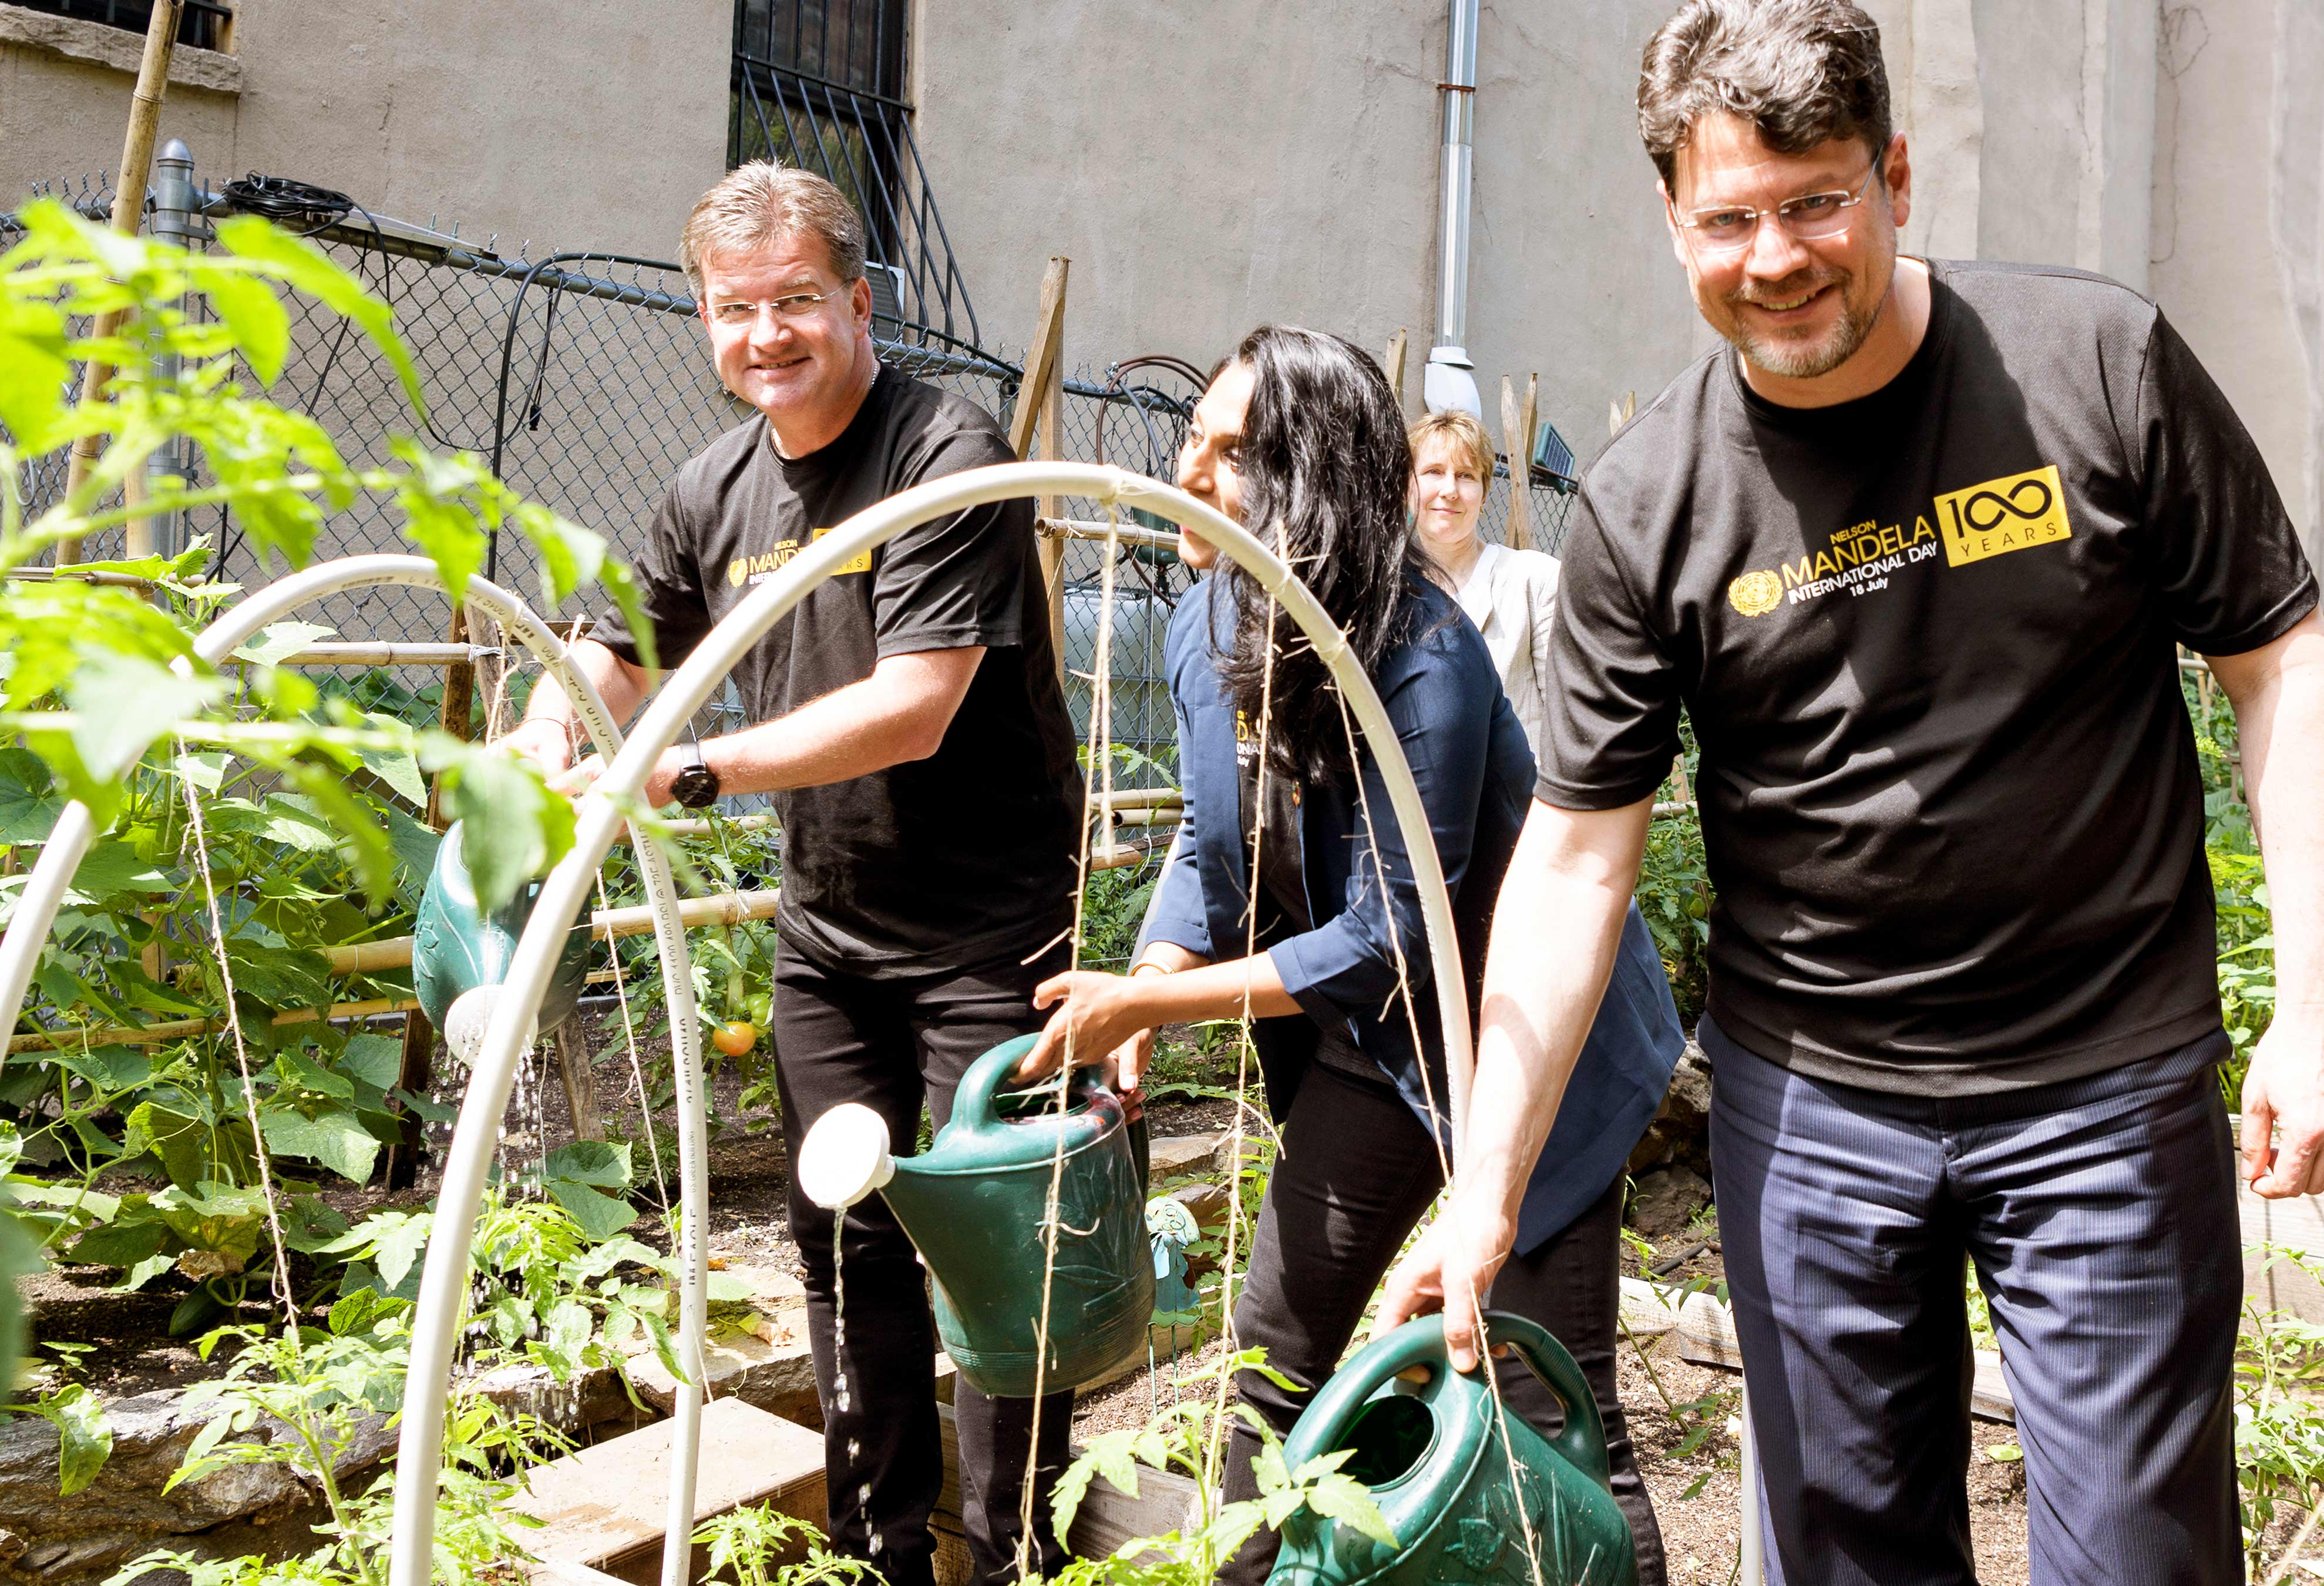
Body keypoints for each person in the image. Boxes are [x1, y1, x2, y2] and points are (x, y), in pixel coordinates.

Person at [1379, 2, 2324, 1582]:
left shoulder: (2093, 367)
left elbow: (2279, 664)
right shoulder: (1647, 504)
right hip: (1811, 1107)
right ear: (1671, 217)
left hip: (2098, 1081)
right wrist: (1484, 1188)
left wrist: (2308, 996)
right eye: (1727, 219)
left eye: (1814, 200)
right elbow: (1569, 863)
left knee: (2140, 1563)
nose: (1774, 257)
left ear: (1890, 173)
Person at [1019, 326, 1685, 1584]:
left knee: (1540, 1396)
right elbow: (1221, 855)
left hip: (1526, 1046)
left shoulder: (1418, 652)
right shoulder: (1207, 619)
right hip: (1379, 1054)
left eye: (1229, 449)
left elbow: (1389, 930)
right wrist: (1157, 973)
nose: (1189, 468)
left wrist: (1157, 1001)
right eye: (1192, 439)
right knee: (1272, 1363)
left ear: (1303, 478)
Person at [506, 163, 1084, 1586]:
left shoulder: (945, 457)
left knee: (1007, 1263)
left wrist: (695, 769)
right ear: (706, 317)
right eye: (736, 308)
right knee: (845, 1248)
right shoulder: (712, 486)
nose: (767, 334)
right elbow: (625, 648)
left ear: (859, 302)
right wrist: (555, 711)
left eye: (796, 302)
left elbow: (917, 701)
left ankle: (1014, 1560)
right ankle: (885, 1553)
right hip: (834, 938)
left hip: (992, 933)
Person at [1408, 409, 1564, 754]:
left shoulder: (1534, 580)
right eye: (1434, 472)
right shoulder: (1384, 588)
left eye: (1466, 475)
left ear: (1484, 493)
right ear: (1409, 486)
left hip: (1514, 801)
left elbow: (1566, 719)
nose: (1449, 490)